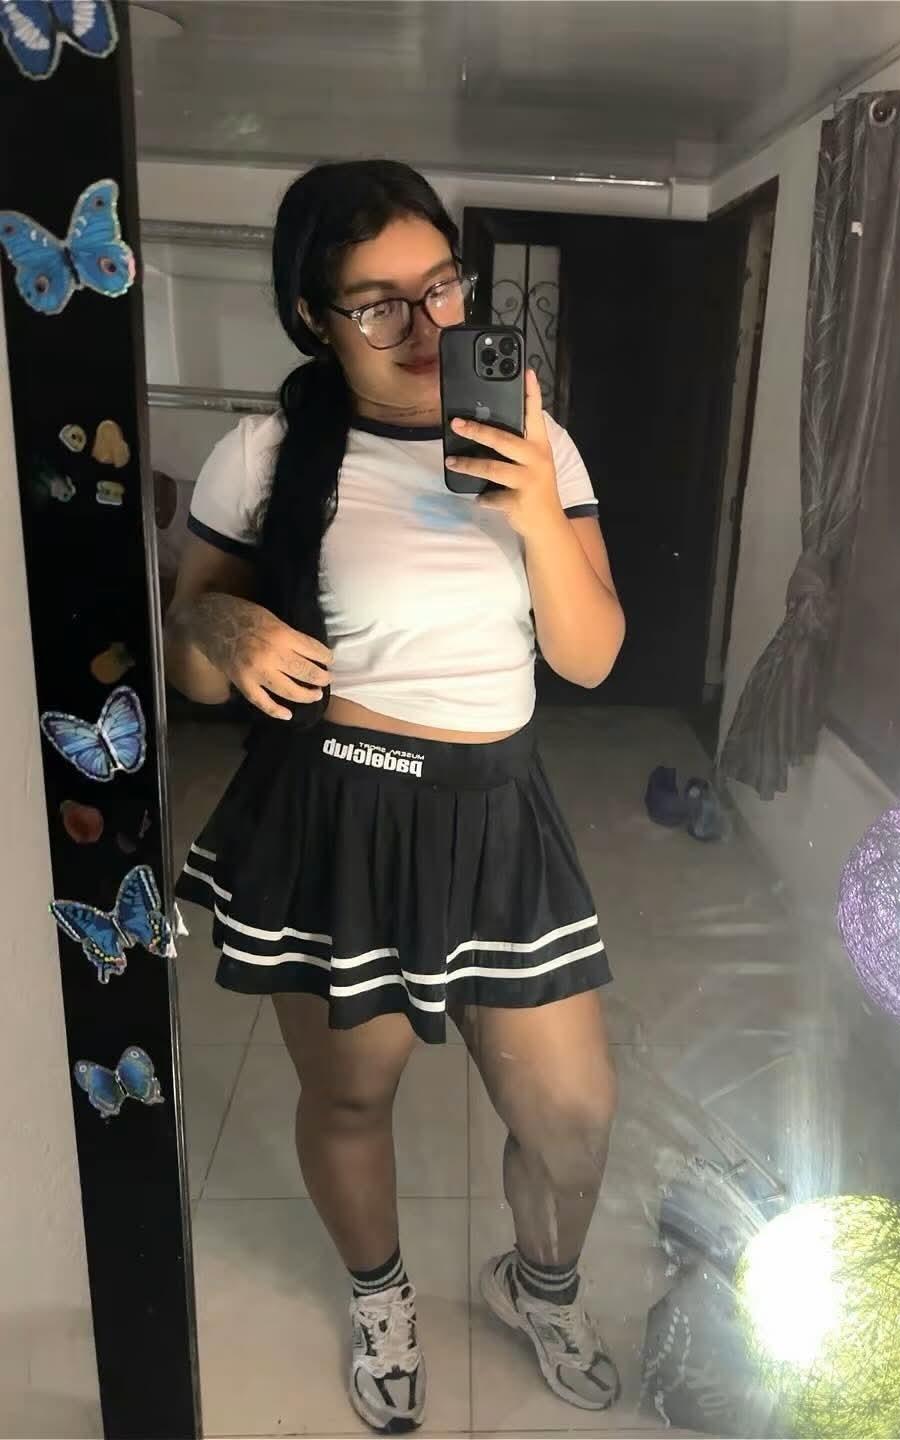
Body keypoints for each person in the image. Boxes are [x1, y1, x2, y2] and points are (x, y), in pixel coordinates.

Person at [165, 160, 625, 1435]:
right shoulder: (263, 455)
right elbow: (189, 654)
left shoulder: (538, 441)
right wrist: (225, 626)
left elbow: (591, 656)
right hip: (341, 820)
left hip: (499, 813)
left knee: (573, 1114)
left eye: (441, 288)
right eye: (377, 305)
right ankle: (381, 1300)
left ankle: (541, 1284)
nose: (425, 327)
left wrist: (535, 507)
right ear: (311, 317)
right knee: (352, 1096)